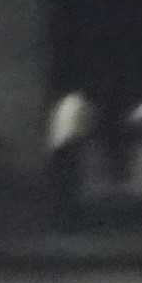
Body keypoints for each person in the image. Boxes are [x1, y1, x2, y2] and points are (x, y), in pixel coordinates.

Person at [46, 92, 96, 229]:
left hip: (58, 148)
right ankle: (71, 221)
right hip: (71, 147)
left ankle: (61, 220)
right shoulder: (80, 104)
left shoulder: (64, 104)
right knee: (72, 185)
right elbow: (83, 129)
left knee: (63, 186)